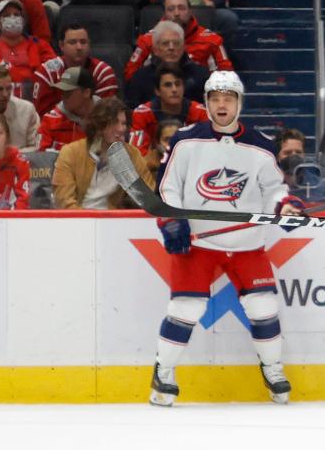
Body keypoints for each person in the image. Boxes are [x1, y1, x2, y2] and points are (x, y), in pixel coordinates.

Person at [150, 70, 303, 407]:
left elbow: (276, 191)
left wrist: (287, 208)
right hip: (199, 242)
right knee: (186, 307)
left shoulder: (261, 145)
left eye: (228, 98)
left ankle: (272, 367)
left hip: (247, 243)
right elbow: (168, 186)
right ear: (206, 102)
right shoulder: (185, 140)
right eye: (215, 98)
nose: (222, 104)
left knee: (264, 307)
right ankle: (163, 372)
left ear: (239, 102)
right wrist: (173, 221)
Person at [51, 96, 152, 209]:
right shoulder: (70, 153)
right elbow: (64, 201)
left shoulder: (132, 154)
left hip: (112, 220)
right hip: (77, 219)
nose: (121, 129)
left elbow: (150, 198)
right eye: (114, 123)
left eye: (123, 123)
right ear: (98, 125)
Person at [124, 0, 232, 82]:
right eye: (171, 9)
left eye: (181, 8)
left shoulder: (212, 40)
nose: (176, 13)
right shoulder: (148, 40)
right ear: (164, 13)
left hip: (198, 93)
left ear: (190, 11)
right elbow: (130, 75)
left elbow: (227, 76)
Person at [31, 23, 117, 116]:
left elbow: (108, 116)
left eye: (83, 42)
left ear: (89, 44)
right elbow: (41, 116)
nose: (79, 47)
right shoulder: (47, 72)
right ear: (61, 45)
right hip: (57, 127)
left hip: (94, 127)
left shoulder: (103, 72)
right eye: (72, 42)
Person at [126, 20, 211, 107]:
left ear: (183, 47)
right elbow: (132, 111)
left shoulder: (201, 75)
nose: (171, 48)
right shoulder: (141, 77)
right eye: (165, 43)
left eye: (176, 43)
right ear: (155, 50)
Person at [128, 64, 209, 155]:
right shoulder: (142, 114)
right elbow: (136, 155)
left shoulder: (200, 113)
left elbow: (208, 150)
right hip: (153, 166)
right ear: (157, 91)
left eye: (178, 84)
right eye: (168, 85)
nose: (174, 89)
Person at [0, 0, 55, 99]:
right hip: (0, 98)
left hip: (35, 98)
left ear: (23, 20)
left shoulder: (40, 45)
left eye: (16, 14)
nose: (13, 18)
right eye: (6, 15)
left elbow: (53, 71)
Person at [37, 66, 94, 152]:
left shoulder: (106, 119)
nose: (63, 96)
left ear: (86, 93)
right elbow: (41, 157)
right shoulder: (50, 120)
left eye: (68, 92)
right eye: (62, 91)